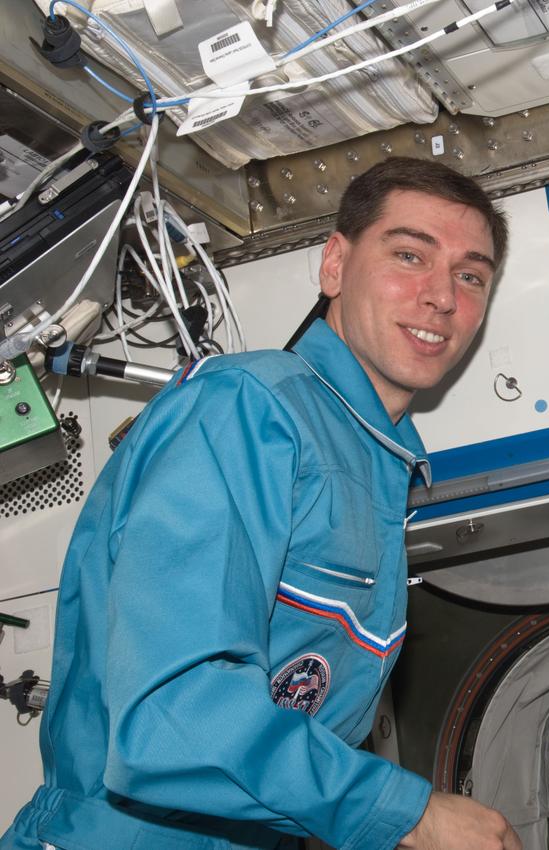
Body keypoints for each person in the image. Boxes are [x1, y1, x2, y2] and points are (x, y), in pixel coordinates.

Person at [2, 158, 522, 850]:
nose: (441, 297)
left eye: (471, 276)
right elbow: (171, 715)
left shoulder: (379, 466)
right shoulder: (250, 411)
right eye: (409, 255)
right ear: (334, 265)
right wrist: (409, 815)